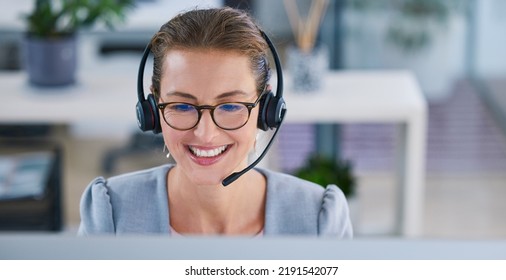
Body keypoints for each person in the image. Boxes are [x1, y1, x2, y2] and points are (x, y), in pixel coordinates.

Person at [78, 7, 352, 237]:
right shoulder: (110, 214)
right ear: (152, 109)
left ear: (266, 109)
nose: (205, 134)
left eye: (231, 106)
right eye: (182, 105)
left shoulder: (319, 220)